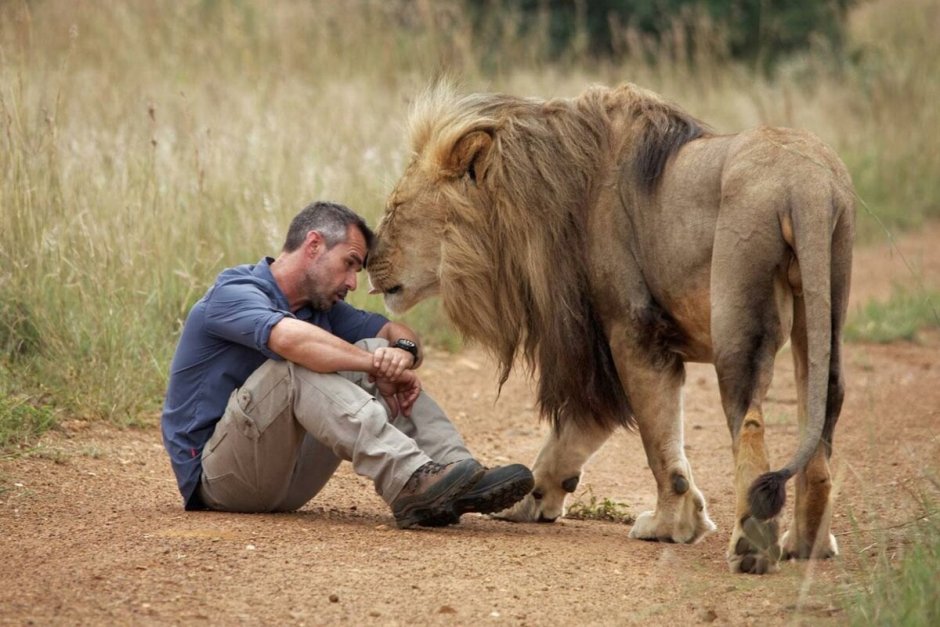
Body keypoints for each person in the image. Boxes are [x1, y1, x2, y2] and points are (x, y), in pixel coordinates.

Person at [161, 200, 533, 528]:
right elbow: (290, 341)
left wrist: (399, 353)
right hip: (218, 479)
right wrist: (375, 364)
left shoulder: (320, 308)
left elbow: (397, 332)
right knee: (294, 365)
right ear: (313, 245)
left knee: (369, 346)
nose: (355, 282)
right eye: (350, 264)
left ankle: (460, 474)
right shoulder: (234, 292)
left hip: (287, 482)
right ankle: (409, 480)